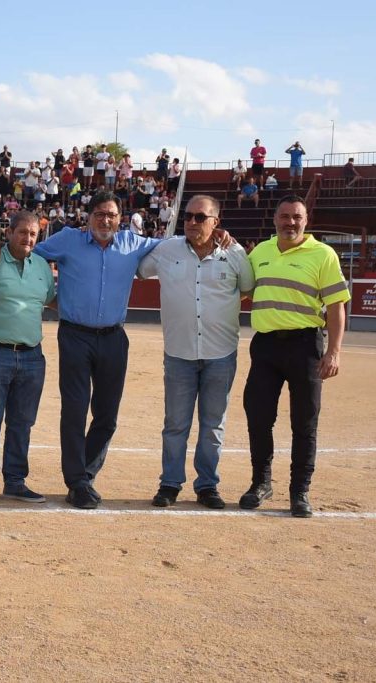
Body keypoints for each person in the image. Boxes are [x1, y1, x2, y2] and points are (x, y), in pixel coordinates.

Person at [33, 191, 168, 509]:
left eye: (111, 214)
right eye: (99, 214)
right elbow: (29, 252)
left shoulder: (134, 243)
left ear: (120, 218)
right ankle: (77, 481)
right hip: (75, 336)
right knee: (75, 410)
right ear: (88, 217)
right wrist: (49, 294)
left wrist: (219, 235)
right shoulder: (68, 239)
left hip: (113, 337)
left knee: (107, 415)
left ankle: (86, 474)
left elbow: (174, 246)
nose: (105, 220)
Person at [138, 195, 253, 509]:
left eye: (200, 217)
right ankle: (170, 484)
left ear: (216, 221)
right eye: (188, 216)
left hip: (220, 353)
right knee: (175, 423)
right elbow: (139, 268)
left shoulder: (235, 253)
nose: (191, 222)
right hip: (179, 353)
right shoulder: (166, 250)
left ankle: (207, 486)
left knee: (213, 424)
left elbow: (247, 289)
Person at [241, 195, 350, 518]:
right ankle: (261, 482)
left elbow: (335, 306)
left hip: (305, 347)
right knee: (258, 417)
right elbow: (242, 289)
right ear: (275, 220)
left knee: (304, 422)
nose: (290, 222)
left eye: (297, 217)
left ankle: (299, 491)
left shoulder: (323, 254)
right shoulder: (260, 252)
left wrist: (334, 351)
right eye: (285, 216)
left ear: (306, 221)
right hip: (265, 347)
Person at [0, 210, 56, 506]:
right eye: (23, 232)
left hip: (32, 356)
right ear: (9, 234)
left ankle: (15, 481)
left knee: (23, 422)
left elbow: (46, 299)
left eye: (33, 234)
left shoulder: (42, 267)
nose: (28, 238)